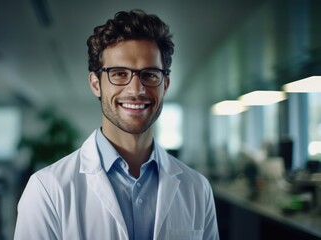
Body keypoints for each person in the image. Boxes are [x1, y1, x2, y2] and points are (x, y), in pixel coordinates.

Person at [14, 10, 219, 240]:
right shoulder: (47, 190)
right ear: (95, 84)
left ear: (166, 84)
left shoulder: (197, 189)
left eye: (150, 75)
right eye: (119, 74)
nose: (136, 90)